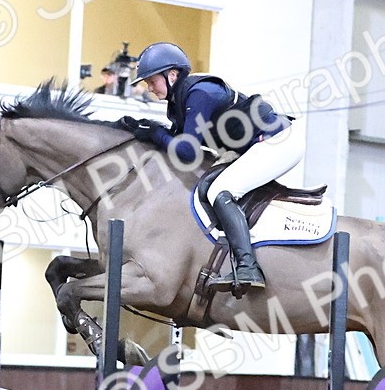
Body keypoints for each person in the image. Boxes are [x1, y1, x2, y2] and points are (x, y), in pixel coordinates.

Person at [117, 42, 304, 297]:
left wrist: (155, 133)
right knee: (205, 187)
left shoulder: (200, 94)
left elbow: (187, 151)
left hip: (277, 141)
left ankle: (248, 267)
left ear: (172, 74)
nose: (149, 88)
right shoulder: (180, 101)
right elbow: (178, 141)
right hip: (251, 146)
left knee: (220, 191)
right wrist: (144, 129)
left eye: (152, 81)